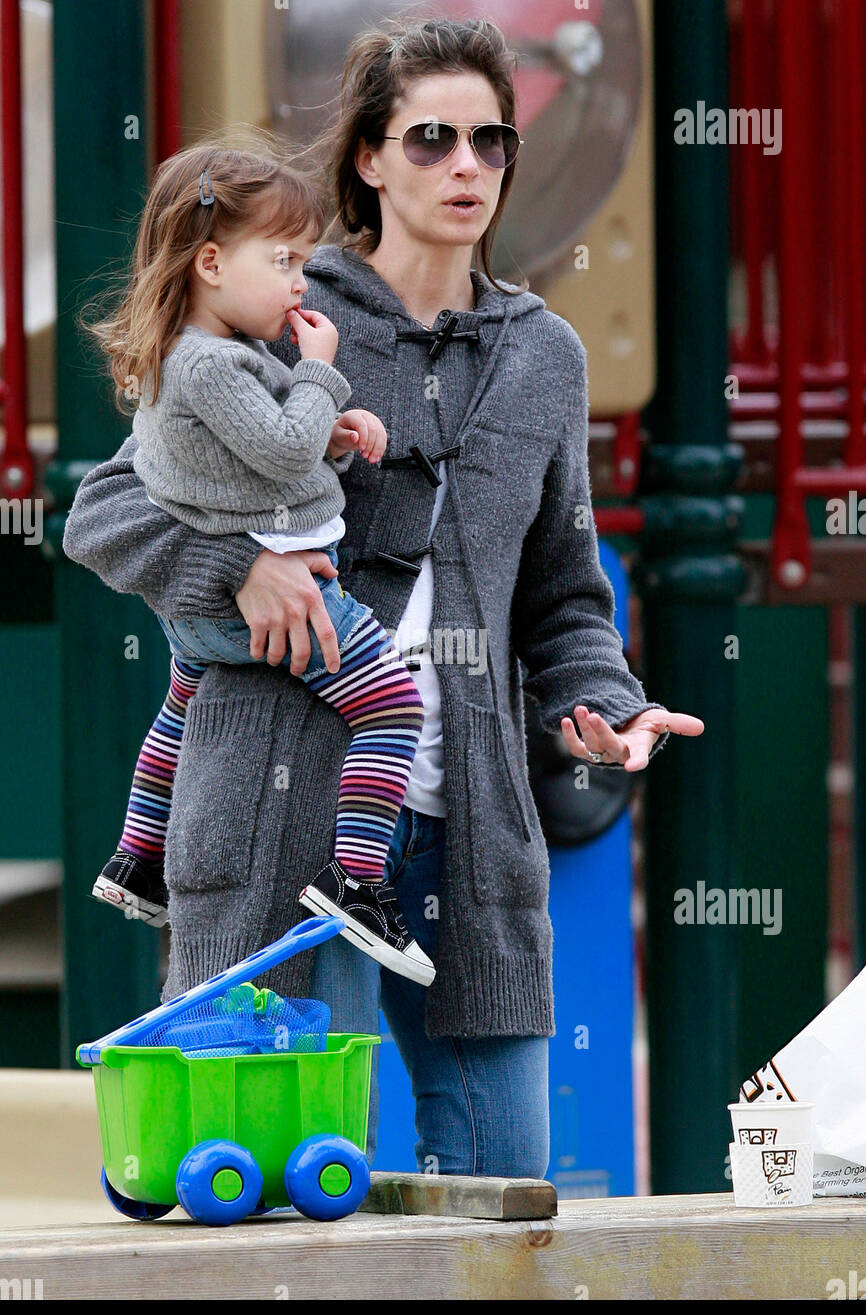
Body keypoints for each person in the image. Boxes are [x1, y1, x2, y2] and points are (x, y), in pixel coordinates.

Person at [63, 16, 703, 1177]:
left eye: (490, 142)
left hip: (471, 832)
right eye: (431, 140)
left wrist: (600, 699)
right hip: (274, 812)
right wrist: (239, 571)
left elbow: (561, 591)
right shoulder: (281, 313)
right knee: (289, 1210)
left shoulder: (546, 354)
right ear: (367, 157)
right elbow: (105, 512)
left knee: (506, 1199)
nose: (466, 166)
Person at [81, 138, 434, 987]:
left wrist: (336, 432)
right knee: (392, 706)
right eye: (281, 260)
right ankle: (356, 878)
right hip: (282, 592)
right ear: (208, 261)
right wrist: (321, 375)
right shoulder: (215, 362)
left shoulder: (186, 358)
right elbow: (278, 452)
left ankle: (136, 858)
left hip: (201, 627)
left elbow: (244, 459)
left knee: (177, 708)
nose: (298, 282)